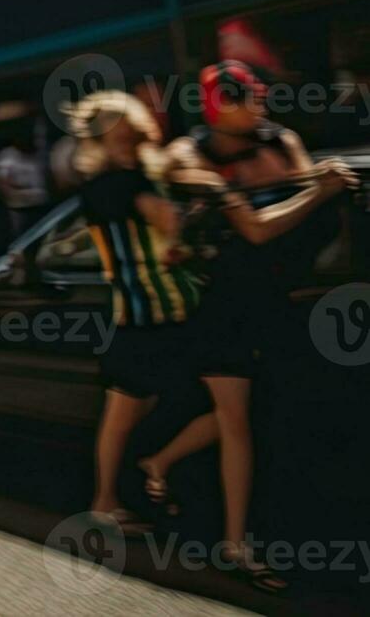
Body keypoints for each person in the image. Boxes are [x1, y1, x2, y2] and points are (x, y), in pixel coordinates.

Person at [136, 61, 355, 592]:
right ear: (216, 107)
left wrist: (312, 186)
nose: (257, 105)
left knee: (253, 413)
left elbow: (300, 187)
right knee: (238, 420)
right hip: (222, 307)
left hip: (284, 299)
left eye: (258, 95)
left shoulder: (280, 140)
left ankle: (158, 462)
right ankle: (236, 543)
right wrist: (319, 191)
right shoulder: (193, 154)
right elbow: (258, 227)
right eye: (242, 98)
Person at [66, 91, 205, 536]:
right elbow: (170, 225)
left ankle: (118, 495)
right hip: (162, 315)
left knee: (125, 417)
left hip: (132, 315)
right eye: (120, 139)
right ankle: (138, 483)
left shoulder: (96, 188)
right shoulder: (131, 184)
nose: (127, 145)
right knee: (204, 404)